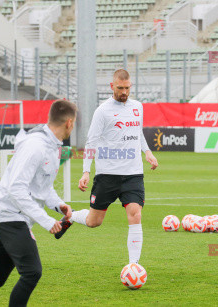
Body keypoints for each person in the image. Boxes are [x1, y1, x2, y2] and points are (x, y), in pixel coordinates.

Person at [0, 99, 77, 307]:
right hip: (10, 216)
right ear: (69, 123)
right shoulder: (35, 146)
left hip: (18, 217)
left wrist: (58, 205)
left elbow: (43, 186)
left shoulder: (52, 146)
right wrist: (47, 220)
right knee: (32, 272)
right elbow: (16, 188)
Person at [54, 69, 158, 266]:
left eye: (127, 88)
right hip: (107, 175)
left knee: (135, 214)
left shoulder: (138, 107)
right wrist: (86, 171)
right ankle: (71, 216)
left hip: (132, 174)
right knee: (95, 221)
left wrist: (147, 152)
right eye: (120, 88)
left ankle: (133, 265)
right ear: (112, 86)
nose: (124, 92)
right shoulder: (102, 111)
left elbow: (138, 133)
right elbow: (91, 141)